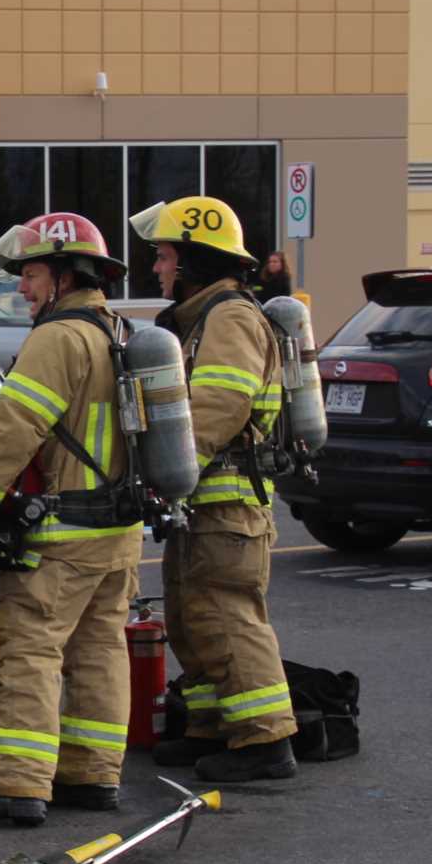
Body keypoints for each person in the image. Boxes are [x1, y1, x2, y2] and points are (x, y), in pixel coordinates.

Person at [0, 213, 141, 827]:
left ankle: (16, 786)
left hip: (62, 535)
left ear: (62, 273)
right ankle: (91, 775)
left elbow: (12, 433)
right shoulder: (120, 331)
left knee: (28, 648)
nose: (21, 288)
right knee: (100, 649)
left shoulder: (59, 338)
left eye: (28, 275)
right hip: (117, 531)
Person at [132, 196, 297, 782]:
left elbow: (220, 403)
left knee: (227, 615)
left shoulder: (231, 317)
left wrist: (173, 466)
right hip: (201, 502)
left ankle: (265, 741)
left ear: (195, 258)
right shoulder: (202, 318)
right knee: (191, 615)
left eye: (166, 256)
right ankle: (211, 726)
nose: (158, 269)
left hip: (227, 502)